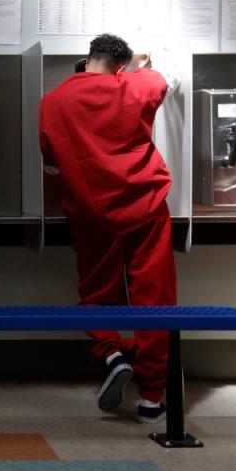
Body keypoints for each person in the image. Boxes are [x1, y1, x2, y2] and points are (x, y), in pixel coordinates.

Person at [38, 33, 179, 424]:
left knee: (98, 292)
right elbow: (158, 79)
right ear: (121, 67)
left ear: (86, 60)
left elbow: (50, 158)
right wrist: (139, 64)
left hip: (90, 210)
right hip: (145, 208)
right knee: (154, 296)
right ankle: (152, 397)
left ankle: (111, 351)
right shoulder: (135, 84)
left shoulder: (53, 101)